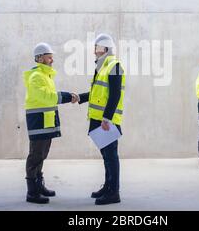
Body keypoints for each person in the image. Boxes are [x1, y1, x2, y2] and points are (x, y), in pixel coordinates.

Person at [23, 42, 79, 204]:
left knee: (42, 154)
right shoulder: (36, 77)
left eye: (52, 57)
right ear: (39, 58)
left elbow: (49, 97)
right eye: (49, 57)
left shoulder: (45, 76)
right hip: (38, 121)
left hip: (45, 121)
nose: (52, 60)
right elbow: (47, 97)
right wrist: (68, 97)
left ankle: (39, 186)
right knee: (35, 156)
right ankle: (32, 192)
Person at [77, 33, 125, 205]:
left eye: (98, 49)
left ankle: (114, 192)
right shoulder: (102, 67)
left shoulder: (114, 65)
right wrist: (80, 97)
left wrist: (107, 118)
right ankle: (108, 187)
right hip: (99, 118)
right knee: (106, 155)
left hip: (107, 120)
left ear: (106, 49)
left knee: (111, 155)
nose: (95, 52)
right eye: (95, 49)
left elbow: (115, 94)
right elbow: (98, 93)